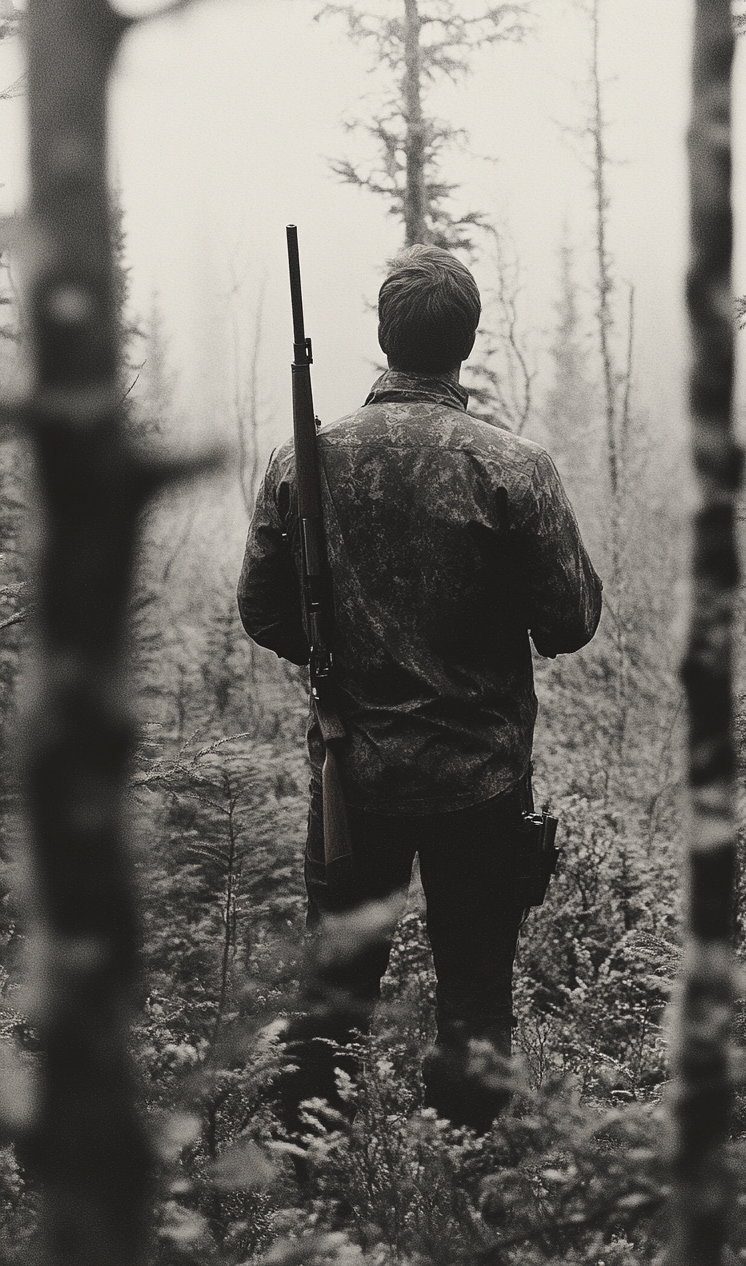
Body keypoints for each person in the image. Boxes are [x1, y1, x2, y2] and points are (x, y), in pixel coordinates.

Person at [237, 244, 602, 1134]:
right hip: (480, 782)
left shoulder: (303, 461)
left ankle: (310, 1186)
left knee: (332, 996)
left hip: (350, 781)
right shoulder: (514, 469)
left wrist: (339, 656)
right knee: (476, 1001)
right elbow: (569, 622)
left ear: (382, 335)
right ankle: (473, 1175)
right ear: (467, 341)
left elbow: (261, 611)